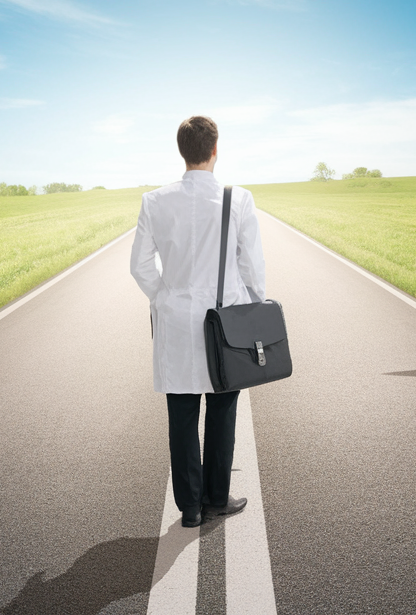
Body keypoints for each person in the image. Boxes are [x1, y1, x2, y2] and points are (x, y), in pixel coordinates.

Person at [129, 115, 266, 528]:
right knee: (222, 412)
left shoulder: (154, 201)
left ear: (182, 151)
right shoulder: (237, 199)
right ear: (215, 150)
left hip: (175, 324)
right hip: (225, 324)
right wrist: (256, 307)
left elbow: (139, 266)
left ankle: (189, 509)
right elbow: (252, 267)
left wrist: (165, 297)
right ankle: (217, 499)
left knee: (182, 416)